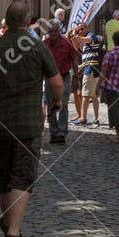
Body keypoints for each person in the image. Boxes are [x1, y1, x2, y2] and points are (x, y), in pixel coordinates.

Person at [0, 3, 62, 237]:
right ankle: (13, 233)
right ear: (27, 20)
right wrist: (57, 102)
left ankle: (11, 226)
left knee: (3, 176)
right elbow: (57, 83)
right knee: (22, 175)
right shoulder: (37, 46)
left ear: (7, 22)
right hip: (28, 125)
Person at [44, 15, 78, 143]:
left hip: (64, 77)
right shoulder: (44, 44)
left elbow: (74, 60)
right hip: (49, 79)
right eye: (50, 31)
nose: (52, 34)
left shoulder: (66, 43)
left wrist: (76, 76)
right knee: (51, 105)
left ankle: (62, 133)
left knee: (63, 104)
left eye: (54, 31)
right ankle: (53, 133)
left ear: (59, 31)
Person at [79, 28, 105, 125]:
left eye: (81, 29)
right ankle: (96, 118)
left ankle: (83, 118)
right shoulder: (88, 45)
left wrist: (76, 36)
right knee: (93, 96)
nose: (79, 30)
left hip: (90, 70)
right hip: (93, 69)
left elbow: (87, 39)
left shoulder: (91, 35)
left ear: (86, 29)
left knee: (85, 95)